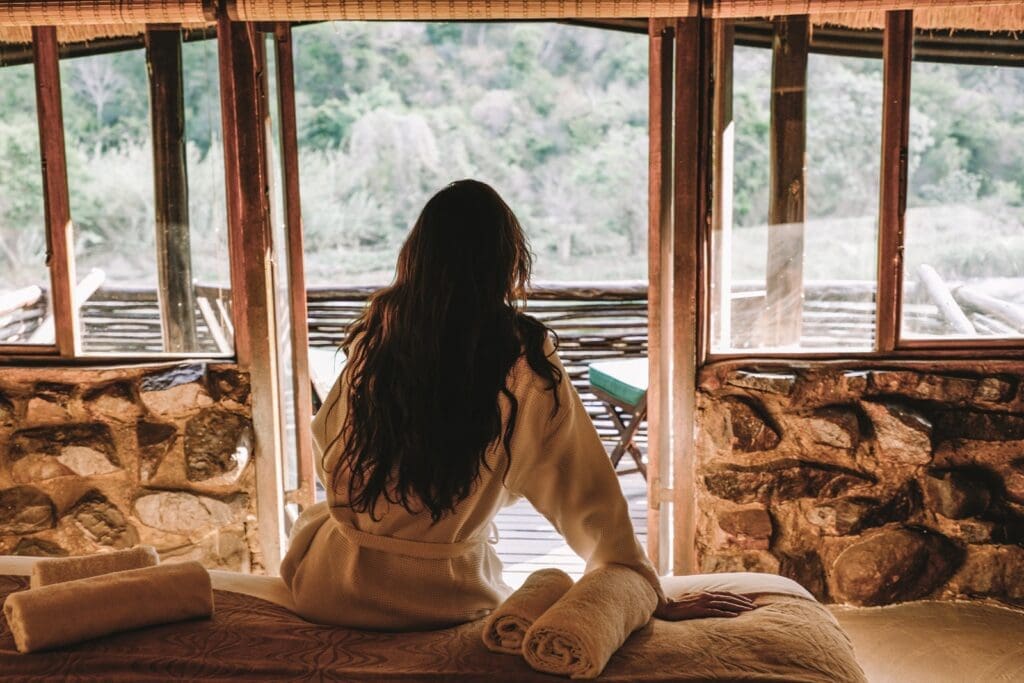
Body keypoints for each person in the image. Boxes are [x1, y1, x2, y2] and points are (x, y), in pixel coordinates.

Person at [281, 179, 755, 629]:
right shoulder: (518, 353)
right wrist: (646, 589)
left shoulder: (377, 337)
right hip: (444, 597)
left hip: (334, 587)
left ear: (415, 258)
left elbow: (331, 449)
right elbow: (584, 489)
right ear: (505, 263)